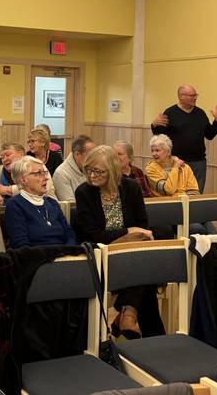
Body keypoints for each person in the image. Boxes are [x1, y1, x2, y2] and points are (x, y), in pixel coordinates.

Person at [74, 145, 164, 339]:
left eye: (98, 171)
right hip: (100, 256)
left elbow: (143, 225)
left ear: (113, 169)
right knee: (145, 273)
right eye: (88, 170)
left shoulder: (131, 188)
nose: (92, 176)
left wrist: (132, 235)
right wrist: (127, 232)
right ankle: (144, 330)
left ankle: (125, 316)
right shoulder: (84, 192)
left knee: (142, 259)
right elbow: (92, 235)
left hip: (132, 253)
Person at [151, 84, 217, 192]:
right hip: (176, 162)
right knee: (177, 192)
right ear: (181, 96)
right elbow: (160, 137)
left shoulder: (200, 113)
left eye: (195, 95)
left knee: (196, 193)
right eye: (191, 95)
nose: (194, 98)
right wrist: (154, 125)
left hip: (198, 162)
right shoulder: (170, 113)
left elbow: (209, 135)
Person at [145, 134, 216, 235]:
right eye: (152, 150)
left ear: (168, 151)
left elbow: (194, 191)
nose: (154, 154)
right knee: (197, 229)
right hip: (168, 210)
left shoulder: (185, 167)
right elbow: (167, 189)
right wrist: (175, 168)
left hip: (187, 207)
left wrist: (186, 205)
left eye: (157, 150)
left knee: (206, 220)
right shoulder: (151, 169)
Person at [4, 155, 76, 248]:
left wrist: (68, 251)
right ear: (23, 180)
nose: (46, 178)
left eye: (44, 172)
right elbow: (21, 245)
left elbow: (70, 234)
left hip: (64, 255)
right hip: (37, 259)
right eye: (38, 173)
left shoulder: (52, 203)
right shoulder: (15, 205)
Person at [52, 134, 95, 203]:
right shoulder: (61, 173)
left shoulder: (90, 168)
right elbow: (71, 207)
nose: (94, 159)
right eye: (91, 155)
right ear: (77, 154)